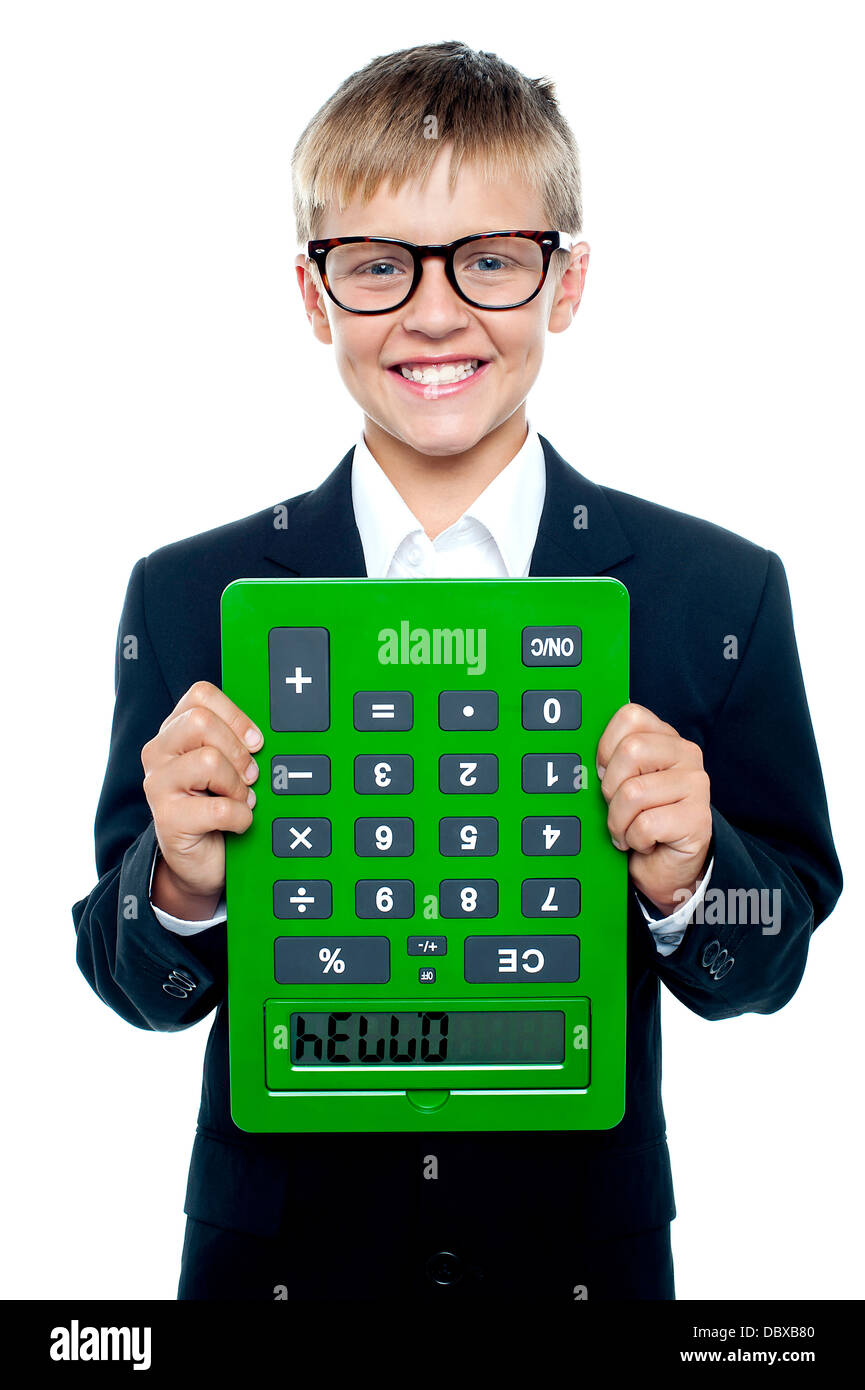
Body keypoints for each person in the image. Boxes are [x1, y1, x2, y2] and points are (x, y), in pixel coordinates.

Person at [72, 41, 843, 1302]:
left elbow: (779, 940)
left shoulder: (718, 591)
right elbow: (125, 977)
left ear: (567, 280)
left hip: (574, 1266)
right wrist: (174, 881)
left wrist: (699, 878)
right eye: (377, 265)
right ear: (316, 298)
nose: (435, 314)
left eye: (490, 258)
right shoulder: (184, 595)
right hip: (277, 1270)